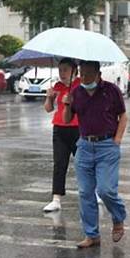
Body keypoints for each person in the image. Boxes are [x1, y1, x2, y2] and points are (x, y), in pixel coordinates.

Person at [63, 60, 128, 248]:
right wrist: (67, 104)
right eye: (81, 74)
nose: (83, 78)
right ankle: (92, 235)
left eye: (87, 74)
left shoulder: (111, 91)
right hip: (84, 146)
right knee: (85, 192)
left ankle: (118, 218)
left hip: (107, 146)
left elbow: (123, 116)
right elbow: (67, 120)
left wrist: (117, 140)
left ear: (98, 74)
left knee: (105, 190)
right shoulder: (76, 92)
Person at [43, 58, 80, 212]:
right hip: (59, 128)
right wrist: (49, 97)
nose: (62, 73)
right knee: (59, 163)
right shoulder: (57, 87)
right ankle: (56, 199)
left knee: (82, 164)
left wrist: (71, 101)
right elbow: (48, 109)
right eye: (60, 70)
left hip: (78, 128)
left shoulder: (80, 86)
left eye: (65, 70)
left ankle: (94, 192)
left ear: (74, 71)